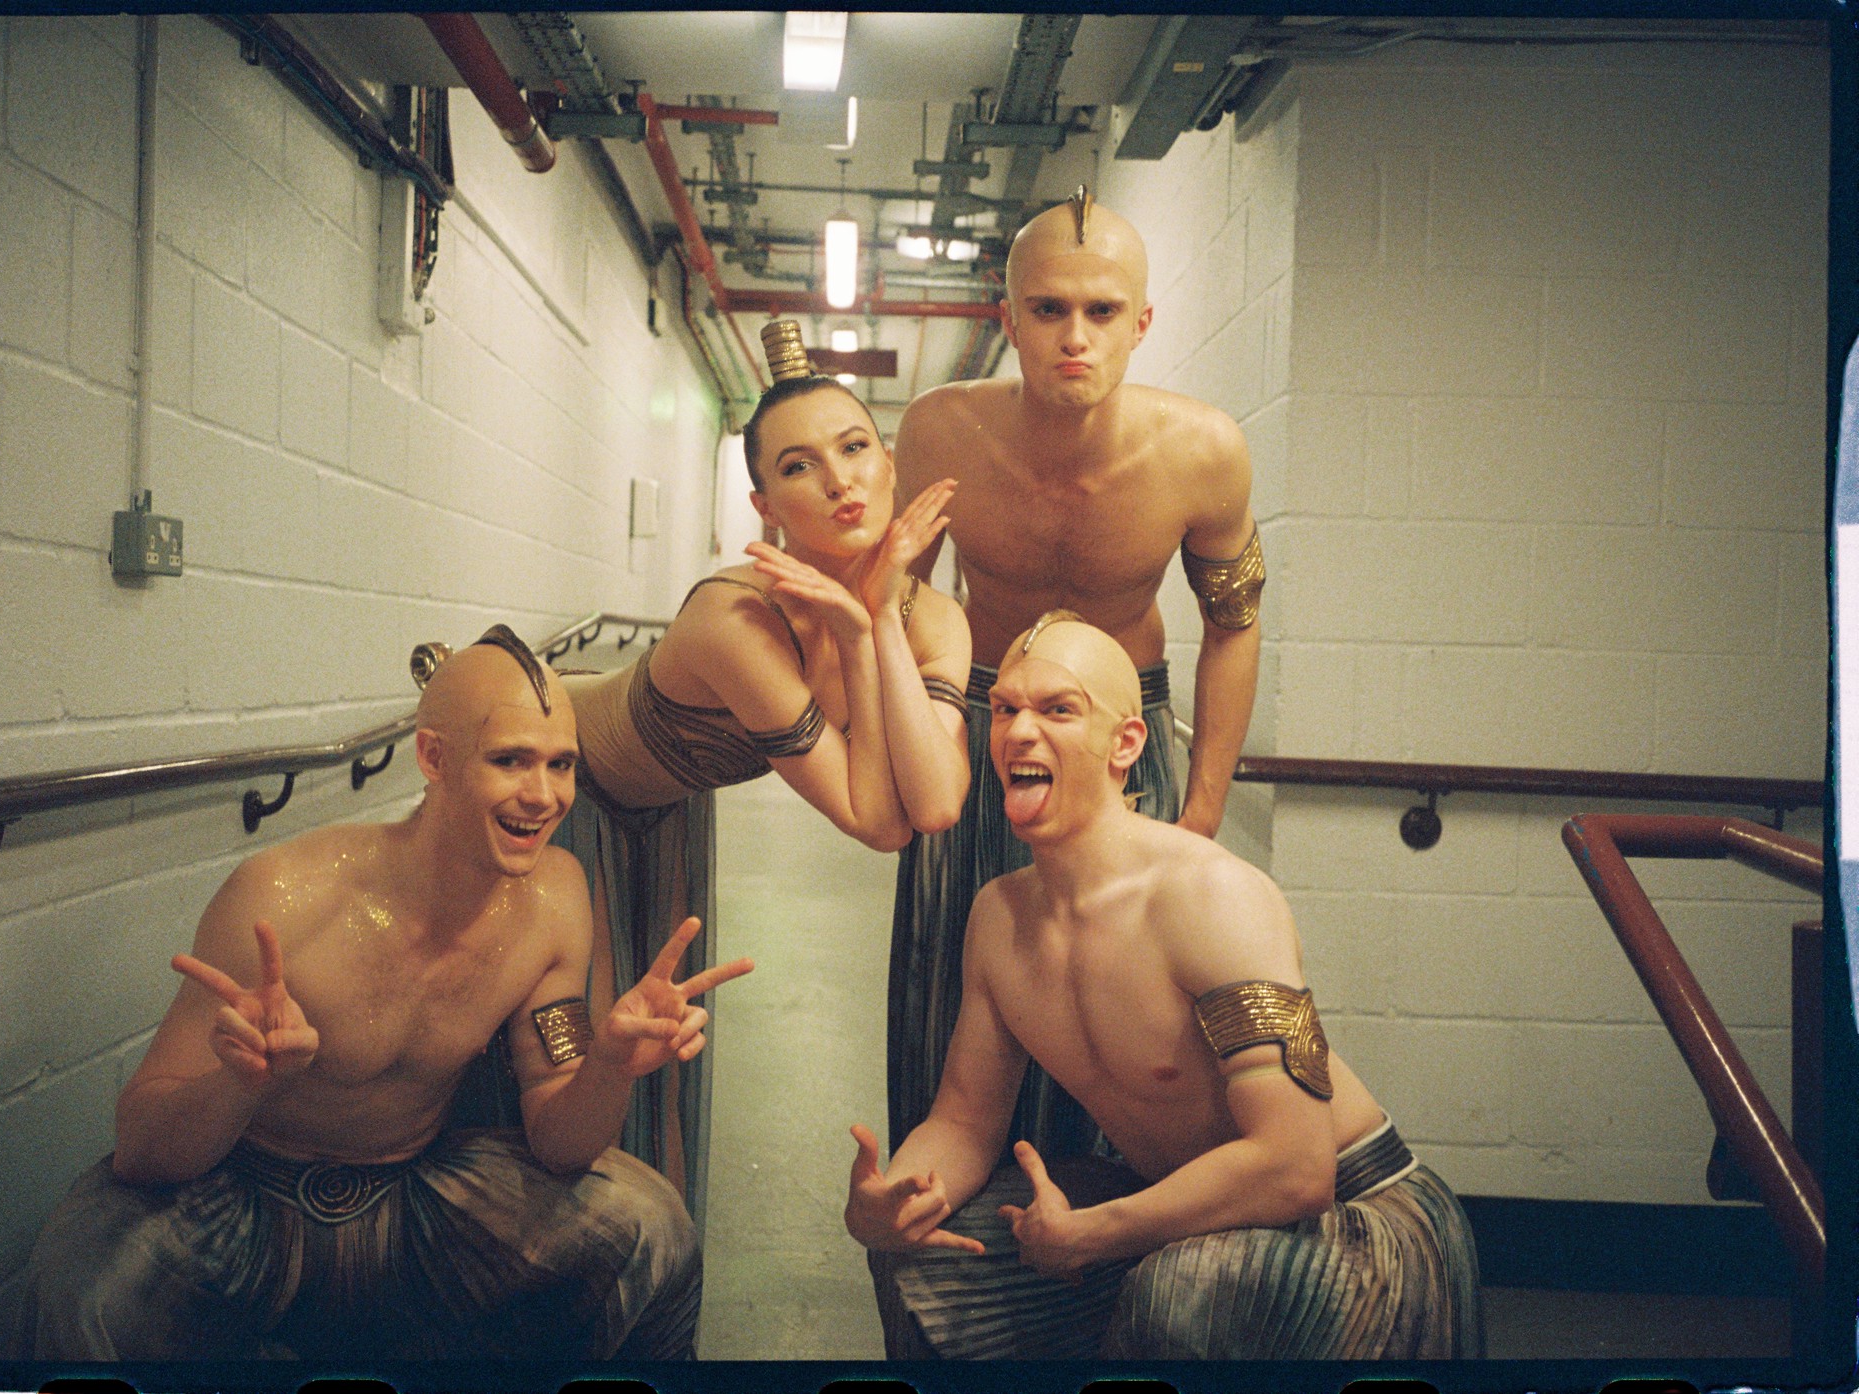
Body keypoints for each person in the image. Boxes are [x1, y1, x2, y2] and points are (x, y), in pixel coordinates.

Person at [21, 629, 752, 1362]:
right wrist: (239, 1083)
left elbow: (560, 1141)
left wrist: (610, 1067)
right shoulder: (283, 896)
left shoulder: (554, 898)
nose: (543, 795)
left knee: (653, 1225)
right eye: (510, 760)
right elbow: (140, 1152)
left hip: (417, 1200)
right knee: (84, 1278)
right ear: (433, 758)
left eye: (561, 764)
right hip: (242, 1200)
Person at [847, 614, 1481, 1361]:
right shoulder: (999, 917)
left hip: (1357, 1214)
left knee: (1179, 1294)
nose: (1019, 732)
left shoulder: (1216, 897)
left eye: (1058, 709)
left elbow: (1296, 1166)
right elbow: (963, 1121)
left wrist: (1091, 1233)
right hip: (1191, 1208)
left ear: (1125, 745)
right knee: (925, 1260)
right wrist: (893, 1204)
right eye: (1007, 708)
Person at [537, 319, 972, 1225]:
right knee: (576, 1075)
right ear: (764, 505)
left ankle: (660, 1284)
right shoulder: (736, 621)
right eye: (799, 466)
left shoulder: (931, 619)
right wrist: (862, 630)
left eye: (855, 448)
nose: (840, 480)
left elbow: (932, 805)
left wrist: (873, 624)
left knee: (662, 1059)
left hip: (669, 807)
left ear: (890, 462)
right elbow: (876, 820)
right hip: (564, 796)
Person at [887, 187, 1264, 1158]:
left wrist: (1202, 810)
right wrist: (897, 754)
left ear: (1141, 322)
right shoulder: (940, 431)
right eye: (1048, 309)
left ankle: (1113, 1227)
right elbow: (891, 606)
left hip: (1125, 732)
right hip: (977, 716)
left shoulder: (1204, 450)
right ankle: (938, 1200)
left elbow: (1234, 625)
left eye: (1101, 311)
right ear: (1008, 317)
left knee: (1130, 1002)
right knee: (949, 988)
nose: (1075, 337)